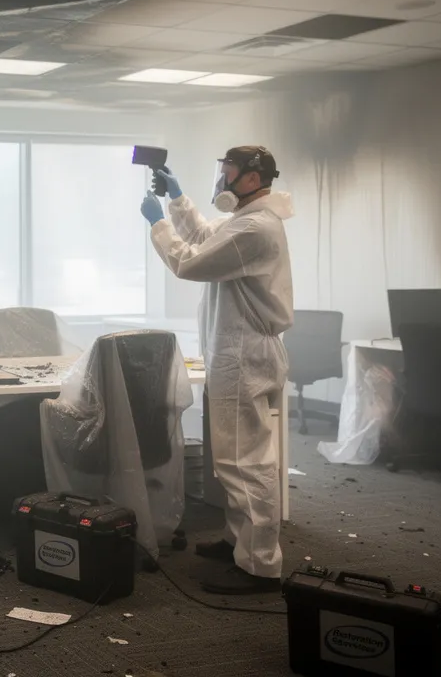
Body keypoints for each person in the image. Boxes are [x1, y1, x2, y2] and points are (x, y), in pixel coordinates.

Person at [139, 146, 294, 595]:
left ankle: (259, 566)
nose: (221, 180)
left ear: (251, 179)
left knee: (245, 461)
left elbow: (190, 262)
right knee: (235, 456)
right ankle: (237, 541)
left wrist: (158, 225)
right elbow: (209, 236)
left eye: (227, 173)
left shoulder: (256, 227)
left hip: (244, 353)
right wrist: (179, 201)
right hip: (238, 350)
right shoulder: (247, 220)